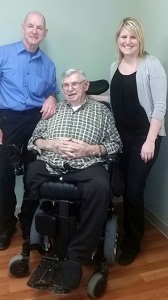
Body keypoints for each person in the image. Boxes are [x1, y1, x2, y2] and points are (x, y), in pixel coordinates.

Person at [26, 68, 122, 290]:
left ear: (85, 86)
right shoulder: (54, 110)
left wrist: (91, 149)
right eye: (66, 85)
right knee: (31, 173)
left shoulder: (102, 111)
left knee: (100, 187)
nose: (70, 89)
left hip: (87, 164)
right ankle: (46, 226)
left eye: (75, 84)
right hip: (52, 164)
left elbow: (116, 144)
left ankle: (76, 256)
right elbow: (34, 140)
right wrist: (51, 144)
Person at [0, 11, 59, 251]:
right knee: (3, 174)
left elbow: (52, 91)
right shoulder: (1, 54)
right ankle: (6, 225)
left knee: (34, 175)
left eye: (39, 28)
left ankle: (28, 220)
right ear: (22, 27)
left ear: (45, 33)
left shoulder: (48, 64)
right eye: (30, 26)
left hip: (36, 122)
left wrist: (52, 98)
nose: (34, 31)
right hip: (8, 120)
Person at [109, 17, 167, 265]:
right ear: (118, 39)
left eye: (133, 36)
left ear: (140, 39)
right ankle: (119, 231)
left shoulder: (151, 65)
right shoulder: (114, 66)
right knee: (119, 187)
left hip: (145, 137)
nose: (128, 41)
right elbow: (116, 100)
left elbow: (160, 107)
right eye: (123, 36)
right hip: (121, 138)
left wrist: (150, 140)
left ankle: (132, 242)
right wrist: (86, 95)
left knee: (134, 190)